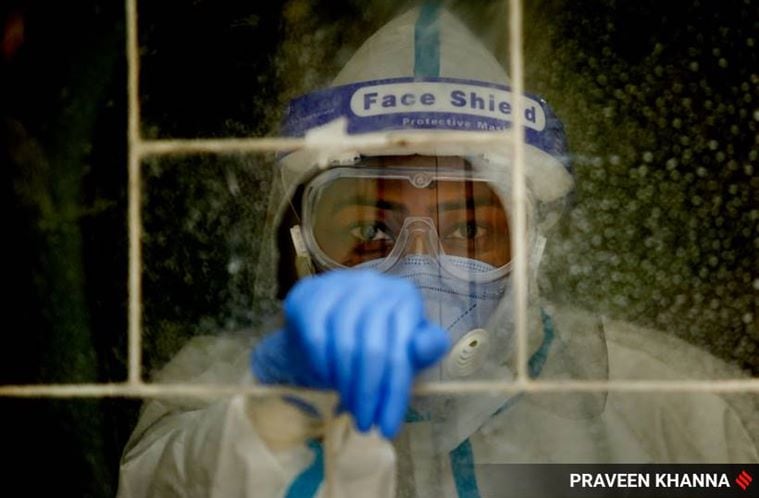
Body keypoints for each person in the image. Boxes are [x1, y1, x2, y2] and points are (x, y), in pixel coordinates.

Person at [117, 4, 759, 497]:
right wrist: (275, 421)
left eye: (469, 231)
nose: (417, 266)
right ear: (303, 243)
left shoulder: (681, 414)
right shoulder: (213, 396)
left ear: (532, 244)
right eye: (370, 230)